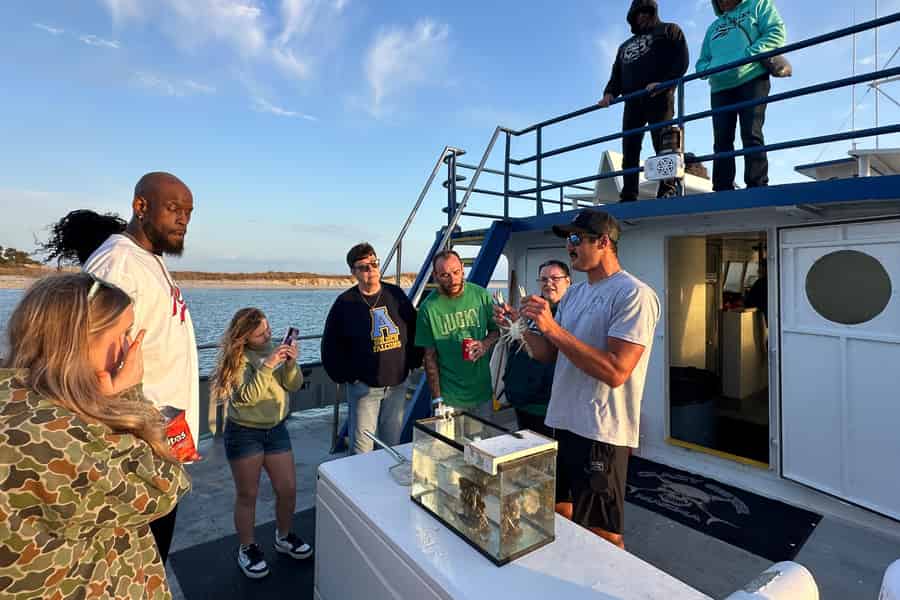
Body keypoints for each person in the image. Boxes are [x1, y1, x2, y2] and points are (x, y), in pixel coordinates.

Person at [0, 273, 190, 599]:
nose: (129, 351)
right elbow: (164, 485)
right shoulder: (55, 438)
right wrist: (126, 395)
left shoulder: (16, 399)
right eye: (123, 335)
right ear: (78, 342)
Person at [497, 209, 660, 549]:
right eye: (567, 239)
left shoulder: (634, 294)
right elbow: (548, 354)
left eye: (575, 238)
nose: (569, 246)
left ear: (603, 242)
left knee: (603, 533)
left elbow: (616, 371)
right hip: (564, 423)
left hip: (600, 432)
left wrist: (552, 327)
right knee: (562, 509)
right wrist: (520, 326)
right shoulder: (576, 294)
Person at [78, 172, 199, 563]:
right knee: (137, 559)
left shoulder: (149, 259)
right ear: (140, 206)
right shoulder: (116, 263)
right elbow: (85, 358)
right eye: (173, 208)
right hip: (137, 450)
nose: (183, 219)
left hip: (166, 441)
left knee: (155, 556)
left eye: (189, 212)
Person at [210, 308, 312, 579]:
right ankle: (247, 547)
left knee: (288, 489)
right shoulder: (238, 360)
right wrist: (267, 366)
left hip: (276, 429)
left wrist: (290, 363)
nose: (268, 336)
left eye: (268, 330)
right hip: (244, 433)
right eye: (260, 334)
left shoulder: (274, 349)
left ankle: (284, 536)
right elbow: (247, 398)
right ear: (244, 337)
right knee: (248, 494)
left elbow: (294, 385)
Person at [321, 243, 422, 454]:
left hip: (397, 385)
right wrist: (349, 377)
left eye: (374, 264)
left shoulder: (395, 294)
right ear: (353, 272)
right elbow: (330, 347)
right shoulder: (345, 303)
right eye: (364, 267)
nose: (371, 270)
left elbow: (414, 329)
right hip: (364, 389)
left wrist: (412, 363)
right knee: (362, 449)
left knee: (391, 446)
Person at [598, 0, 689, 202]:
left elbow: (681, 60)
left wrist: (664, 83)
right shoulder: (624, 47)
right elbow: (616, 75)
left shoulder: (669, 30)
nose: (642, 17)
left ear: (653, 12)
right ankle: (629, 193)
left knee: (664, 143)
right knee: (629, 147)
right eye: (637, 14)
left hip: (660, 96)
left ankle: (667, 188)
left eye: (646, 12)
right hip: (632, 101)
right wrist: (609, 93)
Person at [695, 0, 786, 191]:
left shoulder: (758, 4)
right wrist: (710, 69)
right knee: (721, 139)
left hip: (752, 77)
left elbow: (776, 31)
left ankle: (757, 184)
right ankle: (722, 187)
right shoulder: (713, 27)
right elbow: (702, 61)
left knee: (751, 132)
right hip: (719, 87)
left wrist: (750, 54)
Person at [415, 250, 500, 417]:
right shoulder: (428, 308)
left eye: (456, 272)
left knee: (483, 434)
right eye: (445, 275)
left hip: (482, 393)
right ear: (435, 276)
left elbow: (495, 331)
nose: (453, 279)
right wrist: (437, 399)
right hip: (449, 398)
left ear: (462, 268)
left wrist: (484, 344)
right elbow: (429, 358)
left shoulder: (481, 295)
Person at [499, 260, 571, 439]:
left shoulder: (573, 313)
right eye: (543, 279)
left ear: (568, 281)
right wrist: (511, 325)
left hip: (548, 405)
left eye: (555, 278)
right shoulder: (530, 310)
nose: (548, 283)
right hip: (522, 399)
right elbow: (523, 344)